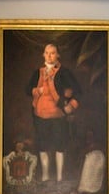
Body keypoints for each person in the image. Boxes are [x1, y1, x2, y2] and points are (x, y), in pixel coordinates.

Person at [26, 43, 81, 182]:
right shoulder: (38, 72)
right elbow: (27, 90)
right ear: (43, 55)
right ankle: (45, 176)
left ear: (58, 55)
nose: (49, 56)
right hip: (40, 115)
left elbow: (78, 92)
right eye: (47, 53)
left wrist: (72, 105)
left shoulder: (65, 72)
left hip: (58, 115)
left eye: (52, 53)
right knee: (43, 146)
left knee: (59, 145)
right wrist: (37, 91)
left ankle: (59, 178)